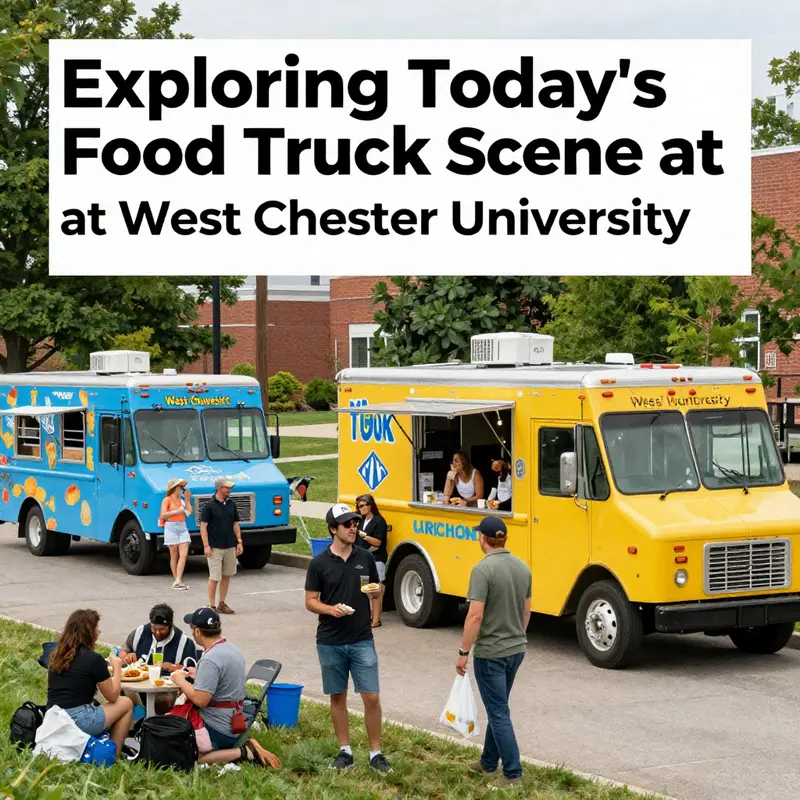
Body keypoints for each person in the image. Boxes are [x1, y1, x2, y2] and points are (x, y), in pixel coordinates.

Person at [304, 503, 391, 774]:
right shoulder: (319, 563)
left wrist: (375, 592)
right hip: (330, 640)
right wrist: (331, 610)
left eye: (355, 523)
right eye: (347, 524)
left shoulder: (365, 557)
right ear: (333, 529)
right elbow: (310, 601)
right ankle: (345, 752)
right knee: (338, 696)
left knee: (371, 697)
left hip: (361, 638)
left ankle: (376, 753)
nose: (353, 528)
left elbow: (375, 589)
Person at [456, 517, 531, 791]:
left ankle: (512, 773)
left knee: (498, 712)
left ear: (483, 539)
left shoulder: (482, 570)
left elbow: (475, 616)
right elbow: (526, 611)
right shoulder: (522, 568)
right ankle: (488, 762)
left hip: (491, 652)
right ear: (504, 539)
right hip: (516, 648)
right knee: (497, 706)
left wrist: (464, 652)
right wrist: (516, 636)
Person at [170, 608, 280, 769]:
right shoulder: (231, 649)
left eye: (192, 628)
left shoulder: (210, 659)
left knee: (183, 756)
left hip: (217, 727)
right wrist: (199, 675)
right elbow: (224, 679)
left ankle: (245, 752)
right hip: (235, 719)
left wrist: (180, 680)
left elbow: (201, 700)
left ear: (197, 631)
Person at [47, 609, 134, 757]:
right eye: (96, 629)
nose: (98, 633)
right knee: (126, 702)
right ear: (90, 633)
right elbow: (113, 696)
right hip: (79, 720)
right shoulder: (94, 659)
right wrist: (117, 667)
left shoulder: (57, 655)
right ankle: (113, 755)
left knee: (101, 703)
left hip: (53, 717)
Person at [200, 477, 242, 614]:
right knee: (214, 577)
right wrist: (206, 545)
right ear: (219, 488)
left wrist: (239, 541)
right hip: (215, 547)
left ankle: (222, 603)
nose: (229, 490)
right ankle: (211, 605)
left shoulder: (231, 504)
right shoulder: (209, 506)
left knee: (227, 575)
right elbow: (203, 527)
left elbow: (236, 524)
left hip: (230, 545)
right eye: (227, 488)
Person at [118, 603, 197, 671]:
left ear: (170, 626)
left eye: (162, 629)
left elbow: (192, 672)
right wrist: (126, 657)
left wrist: (173, 667)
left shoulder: (185, 643)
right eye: (154, 628)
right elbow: (123, 650)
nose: (157, 633)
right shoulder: (139, 633)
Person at [355, 494, 388, 628]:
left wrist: (365, 536)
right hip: (362, 559)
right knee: (364, 588)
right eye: (359, 506)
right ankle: (366, 616)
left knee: (376, 589)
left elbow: (378, 542)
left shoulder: (379, 521)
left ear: (370, 505)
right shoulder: (361, 521)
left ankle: (376, 620)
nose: (361, 508)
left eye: (363, 505)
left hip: (376, 559)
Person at [160, 477, 192, 590]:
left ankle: (178, 579)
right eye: (181, 487)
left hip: (182, 527)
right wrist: (176, 511)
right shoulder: (167, 500)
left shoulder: (182, 500)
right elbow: (163, 515)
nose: (182, 489)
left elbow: (189, 512)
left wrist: (187, 500)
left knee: (184, 555)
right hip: (171, 527)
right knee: (174, 555)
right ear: (174, 488)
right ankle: (177, 580)